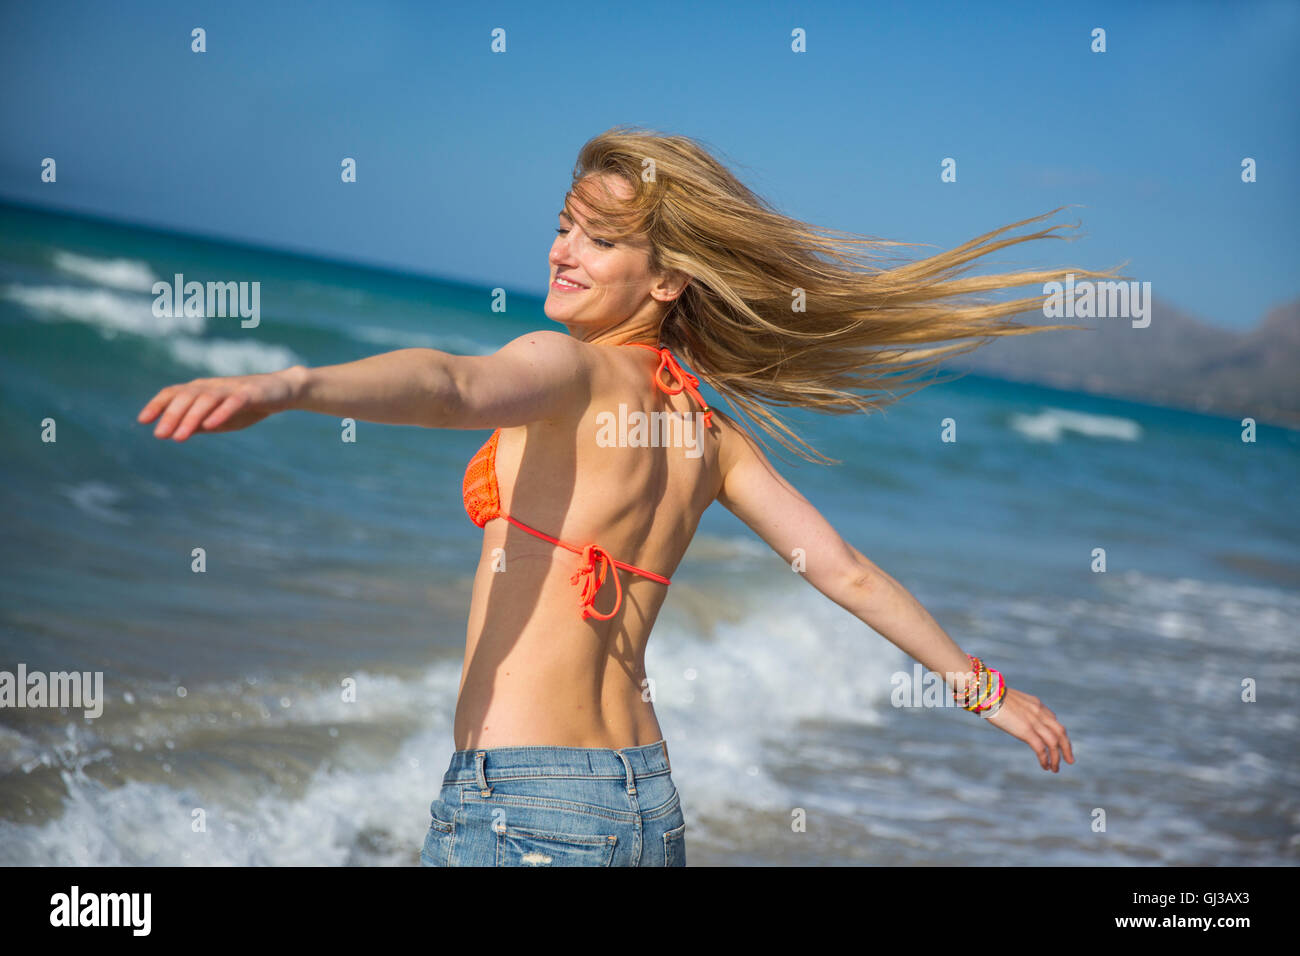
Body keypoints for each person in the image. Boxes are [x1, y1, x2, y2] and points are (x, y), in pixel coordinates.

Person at [139, 126, 1090, 867]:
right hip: (643, 805)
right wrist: (981, 690)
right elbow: (843, 571)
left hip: (523, 802)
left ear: (669, 278)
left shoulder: (569, 368)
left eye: (599, 240)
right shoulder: (711, 437)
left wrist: (290, 387)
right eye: (564, 225)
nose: (563, 252)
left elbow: (452, 386)